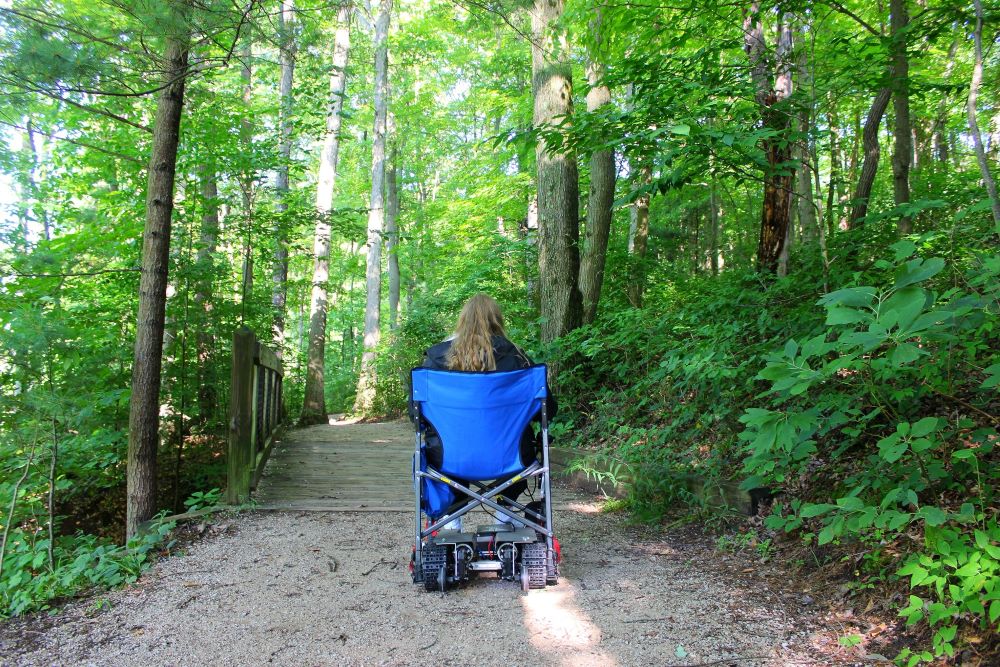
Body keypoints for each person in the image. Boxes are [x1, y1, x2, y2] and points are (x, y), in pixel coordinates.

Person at [415, 293, 556, 529]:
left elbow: (416, 415)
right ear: (497, 321)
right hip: (512, 457)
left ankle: (451, 518)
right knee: (523, 439)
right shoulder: (518, 359)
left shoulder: (435, 361)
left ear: (462, 321)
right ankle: (505, 512)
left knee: (445, 442)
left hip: (449, 457)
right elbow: (547, 410)